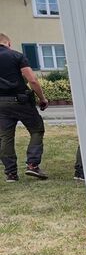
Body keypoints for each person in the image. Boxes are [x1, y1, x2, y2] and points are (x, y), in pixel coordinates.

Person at [0, 33, 48, 182]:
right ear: (8, 43)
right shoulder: (16, 56)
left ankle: (11, 174)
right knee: (36, 129)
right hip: (21, 101)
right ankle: (32, 164)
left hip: (1, 104)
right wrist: (42, 98)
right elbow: (32, 80)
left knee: (5, 137)